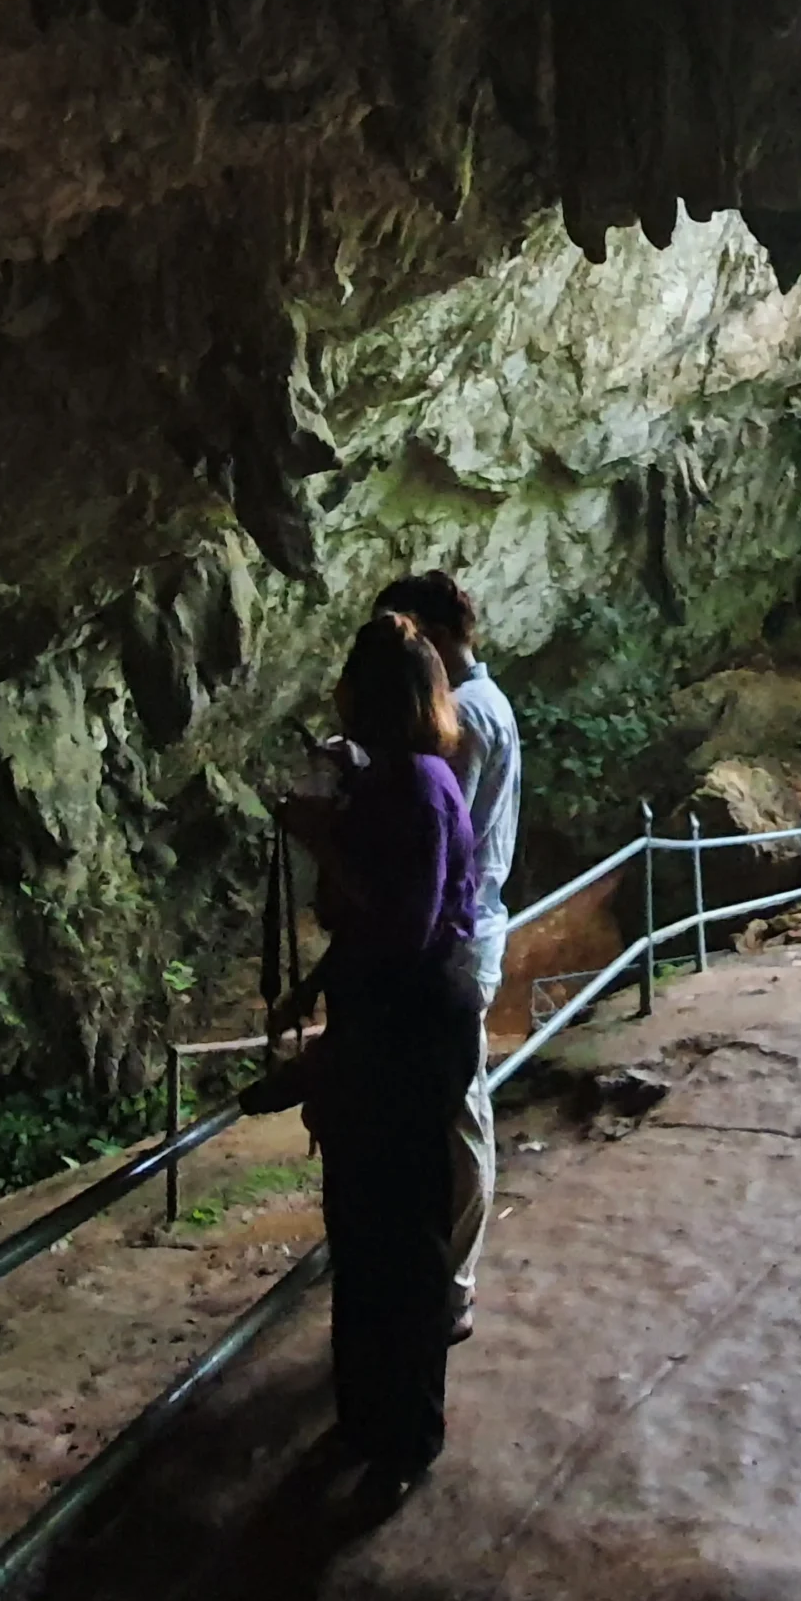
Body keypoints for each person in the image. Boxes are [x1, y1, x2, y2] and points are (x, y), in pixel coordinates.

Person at [270, 614, 479, 1507]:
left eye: (351, 680)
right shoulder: (388, 781)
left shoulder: (424, 787)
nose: (338, 694)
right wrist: (312, 985)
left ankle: (406, 1440)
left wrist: (322, 844)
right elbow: (368, 923)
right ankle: (363, 1416)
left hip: (415, 1024)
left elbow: (405, 927)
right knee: (359, 1227)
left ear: (379, 697)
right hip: (376, 1018)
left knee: (404, 1237)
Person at [375, 572, 518, 1347]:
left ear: (430, 633)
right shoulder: (485, 705)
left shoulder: (461, 718)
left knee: (462, 1117)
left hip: (456, 942)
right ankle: (442, 1271)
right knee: (454, 1111)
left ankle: (453, 1285)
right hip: (469, 932)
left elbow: (433, 839)